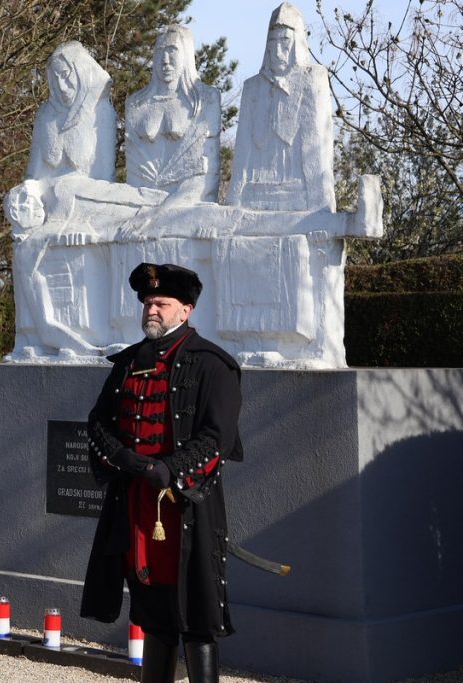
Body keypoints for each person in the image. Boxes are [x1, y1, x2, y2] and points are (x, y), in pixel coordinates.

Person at [80, 263, 243, 683]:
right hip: (135, 505)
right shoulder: (127, 363)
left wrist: (169, 469)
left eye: (162, 304)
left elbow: (218, 438)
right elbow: (97, 423)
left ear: (185, 310)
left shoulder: (213, 364)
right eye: (148, 303)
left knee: (196, 614)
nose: (151, 310)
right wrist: (124, 459)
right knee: (153, 613)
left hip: (187, 506)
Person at [227, 2, 335, 211]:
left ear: (298, 43)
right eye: (272, 42)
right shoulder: (252, 88)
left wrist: (320, 207)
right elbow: (242, 152)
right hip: (253, 197)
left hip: (296, 198)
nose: (277, 51)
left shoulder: (312, 80)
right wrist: (232, 202)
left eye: (285, 41)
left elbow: (315, 151)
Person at [125, 26, 221, 203]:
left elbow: (206, 177)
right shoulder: (136, 103)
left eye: (172, 51)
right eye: (160, 52)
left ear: (186, 54)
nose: (165, 60)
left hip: (187, 204)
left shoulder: (205, 99)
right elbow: (132, 167)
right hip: (139, 201)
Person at [26, 41, 116, 182]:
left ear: (81, 73)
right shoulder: (44, 115)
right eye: (55, 79)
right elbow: (32, 175)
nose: (61, 86)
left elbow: (106, 178)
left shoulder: (101, 112)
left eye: (65, 75)